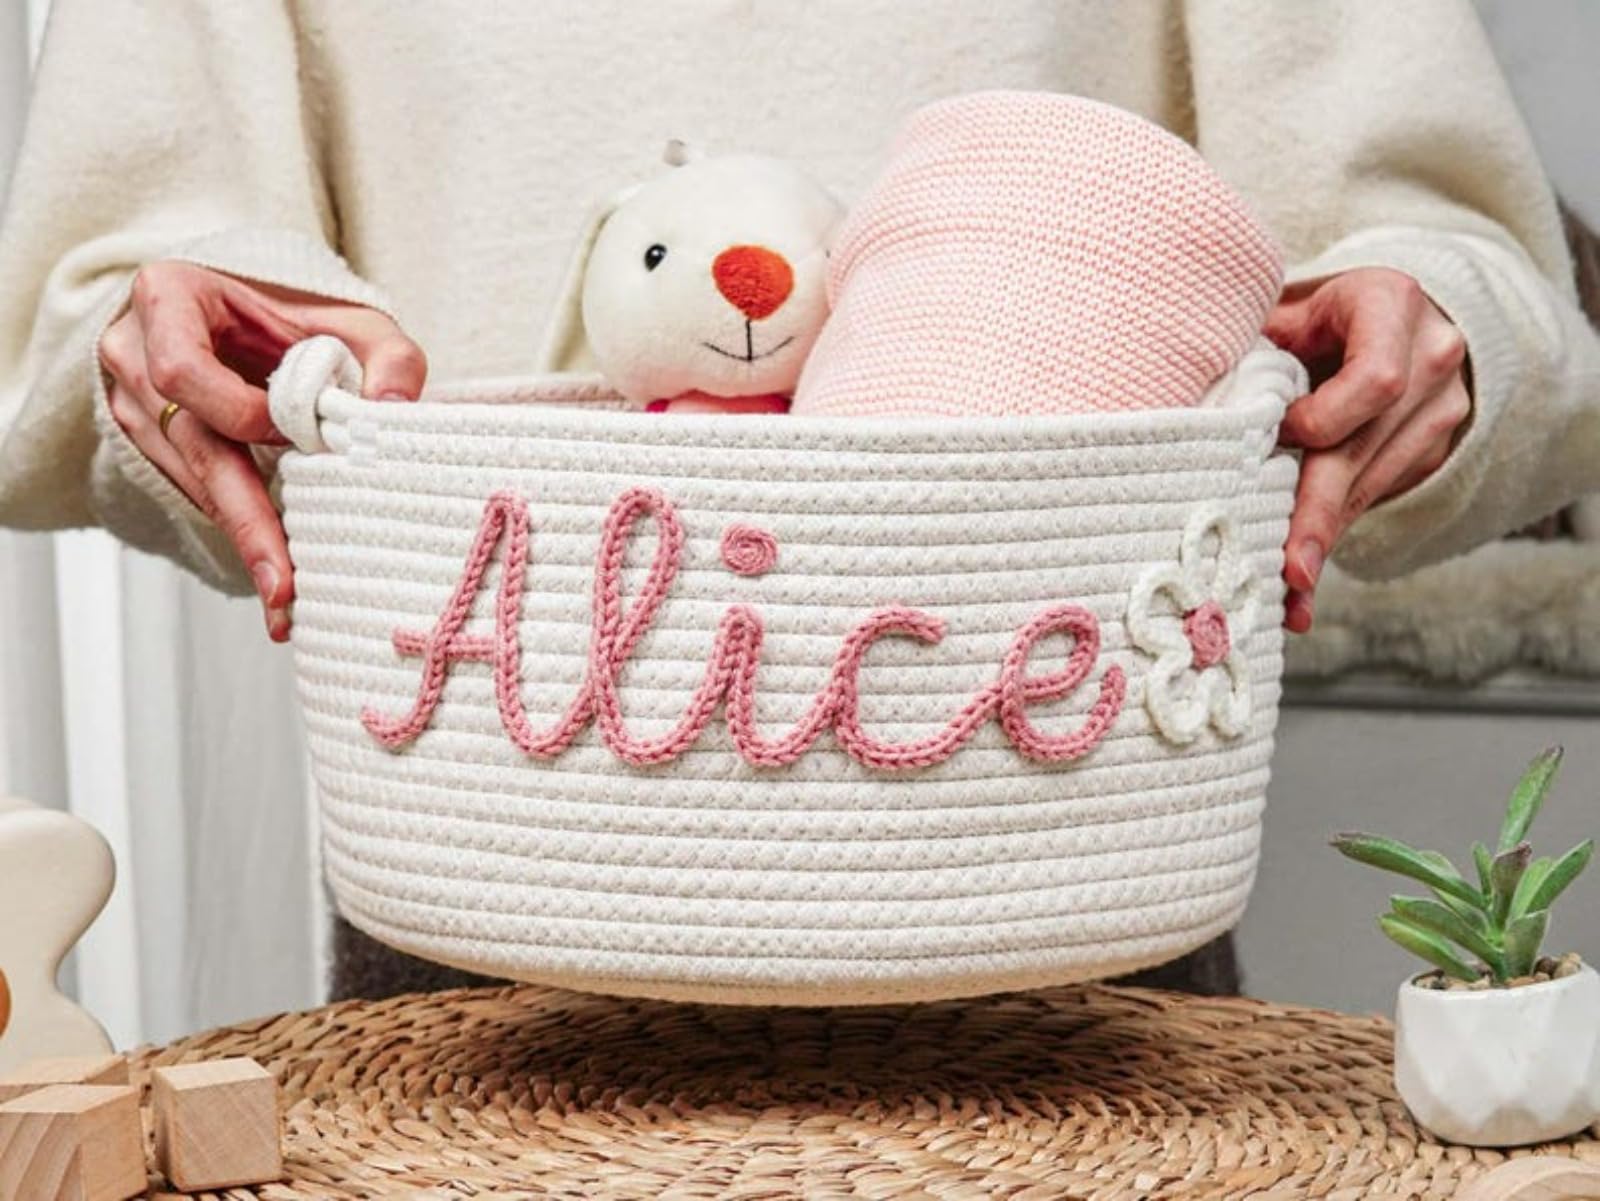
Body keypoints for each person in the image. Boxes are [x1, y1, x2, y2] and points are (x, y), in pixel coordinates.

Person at [1, 1, 1596, 999]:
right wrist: (182, 352)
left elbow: (1474, 278)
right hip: (493, 920)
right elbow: (82, 322)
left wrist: (1441, 319)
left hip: (1063, 896)